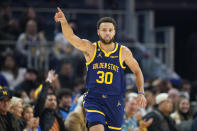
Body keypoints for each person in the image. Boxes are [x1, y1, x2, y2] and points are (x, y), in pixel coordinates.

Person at [55, 8, 146, 131]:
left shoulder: (123, 52)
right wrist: (64, 22)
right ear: (98, 32)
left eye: (110, 30)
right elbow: (71, 37)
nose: (107, 33)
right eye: (104, 30)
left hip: (115, 101)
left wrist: (141, 92)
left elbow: (137, 71)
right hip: (94, 99)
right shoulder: (91, 48)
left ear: (114, 32)